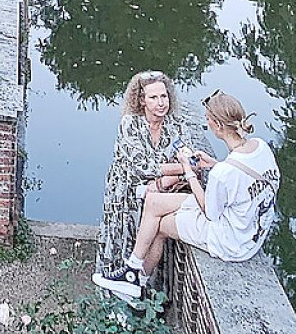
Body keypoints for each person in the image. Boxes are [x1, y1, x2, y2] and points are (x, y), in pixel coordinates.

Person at [95, 92, 279, 300]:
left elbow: (210, 212)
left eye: (208, 119)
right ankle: (132, 270)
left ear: (218, 126)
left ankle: (136, 280)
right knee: (154, 202)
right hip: (251, 227)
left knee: (160, 225)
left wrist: (188, 170)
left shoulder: (224, 174)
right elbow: (242, 181)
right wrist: (213, 163)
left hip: (233, 241)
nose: (207, 123)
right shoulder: (260, 147)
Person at [95, 71, 208, 280]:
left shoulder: (176, 125)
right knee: (124, 241)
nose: (160, 103)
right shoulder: (130, 123)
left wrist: (176, 173)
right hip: (126, 195)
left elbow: (193, 161)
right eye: (153, 98)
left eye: (163, 96)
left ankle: (143, 293)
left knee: (154, 240)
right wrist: (182, 169)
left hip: (158, 194)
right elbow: (142, 166)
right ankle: (114, 293)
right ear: (141, 100)